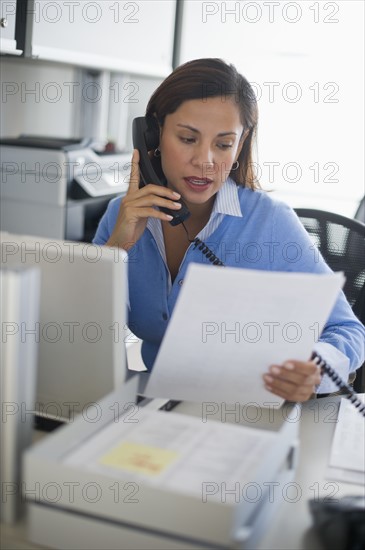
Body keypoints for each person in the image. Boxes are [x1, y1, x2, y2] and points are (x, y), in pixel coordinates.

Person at [93, 58, 365, 403]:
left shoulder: (270, 222)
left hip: (247, 414)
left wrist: (315, 370)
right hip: (151, 409)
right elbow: (82, 334)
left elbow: (348, 330)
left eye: (223, 144)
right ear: (154, 134)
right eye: (188, 138)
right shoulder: (122, 215)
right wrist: (118, 247)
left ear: (241, 143)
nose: (205, 160)